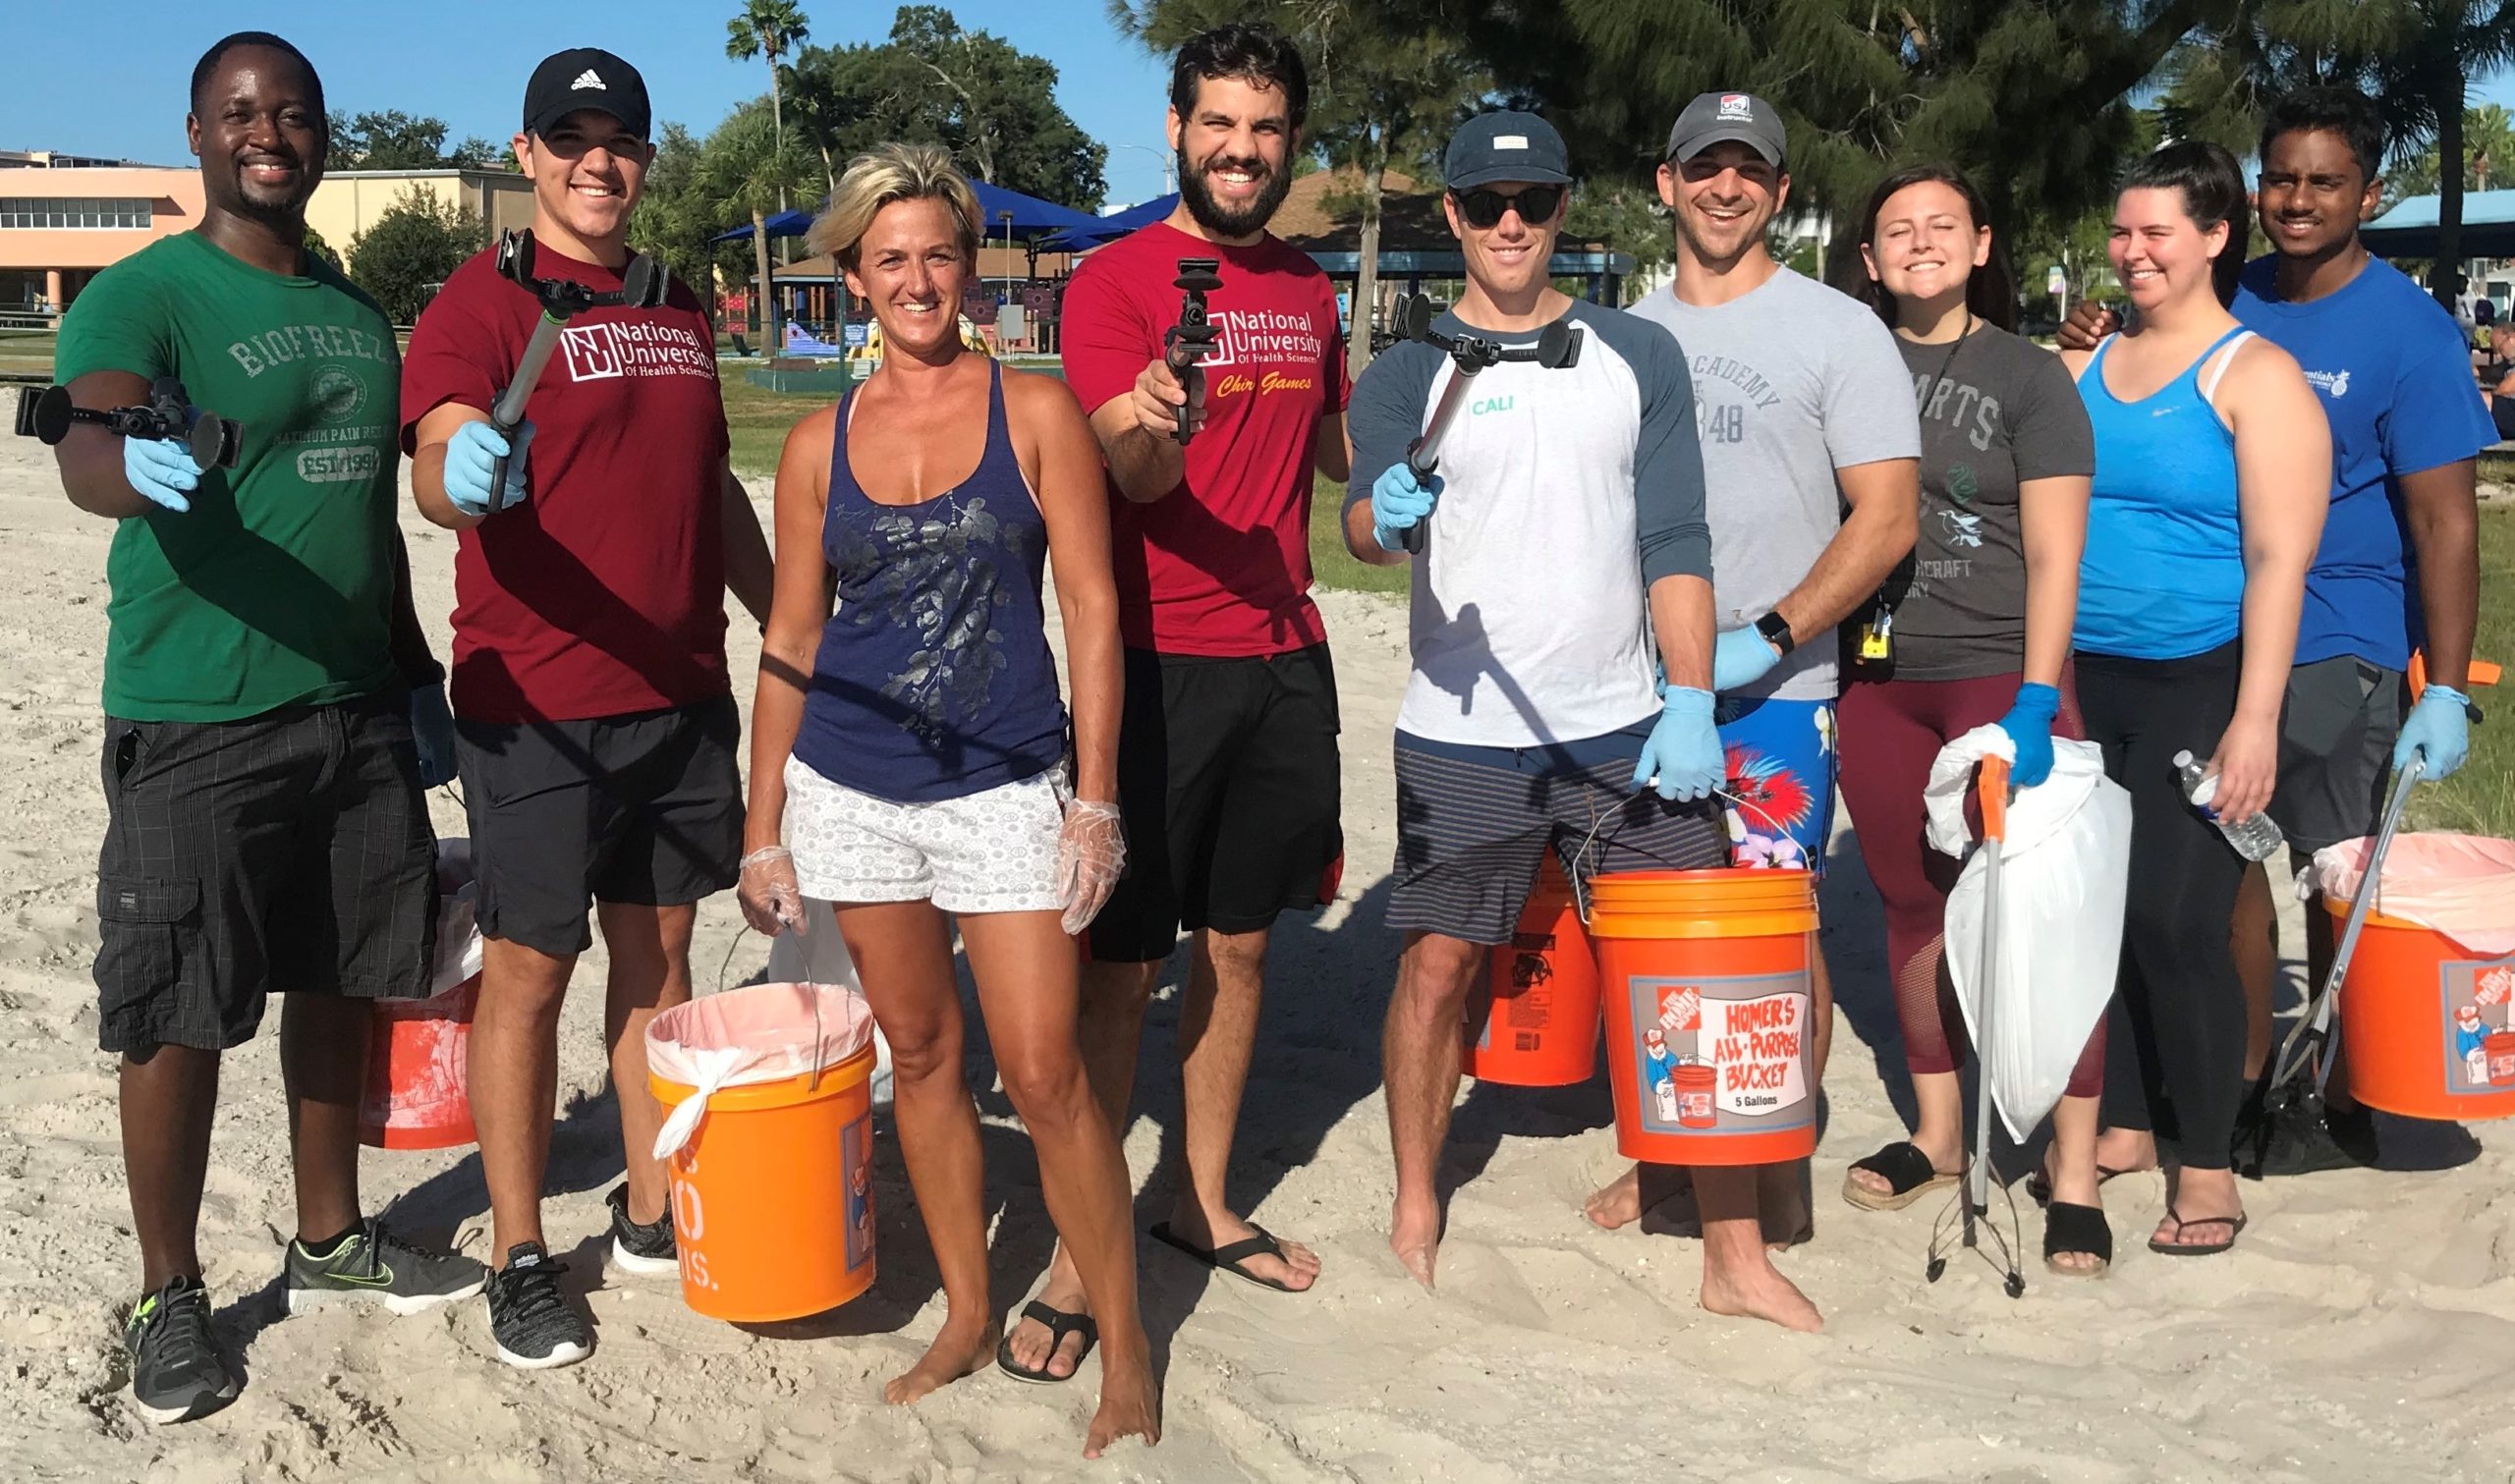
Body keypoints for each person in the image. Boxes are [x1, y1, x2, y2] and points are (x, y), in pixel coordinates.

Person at [50, 30, 485, 1424]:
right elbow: (85, 426)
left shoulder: (360, 310)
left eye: (293, 113)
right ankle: (170, 1289)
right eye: (241, 112)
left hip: (356, 706)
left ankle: (328, 1232)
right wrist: (129, 463)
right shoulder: (147, 291)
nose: (269, 133)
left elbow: (367, 521)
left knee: (344, 972)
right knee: (174, 1004)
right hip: (198, 708)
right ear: (196, 130)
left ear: (324, 136)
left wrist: (417, 677)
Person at [737, 142, 1156, 1460]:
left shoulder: (1033, 412)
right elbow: (794, 635)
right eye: (889, 258)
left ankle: (1129, 1346)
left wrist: (1094, 797)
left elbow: (1091, 604)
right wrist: (763, 821)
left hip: (1004, 783)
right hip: (854, 790)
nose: (917, 278)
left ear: (967, 267)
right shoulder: (819, 441)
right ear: (854, 276)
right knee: (917, 1054)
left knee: (1043, 1070)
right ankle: (969, 1309)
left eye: (937, 253)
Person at [401, 48, 773, 1369]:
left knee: (660, 964)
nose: (597, 159)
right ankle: (514, 1248)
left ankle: (650, 1204)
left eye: (620, 138)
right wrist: (464, 471)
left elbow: (710, 486)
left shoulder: (678, 305)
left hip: (679, 696)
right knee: (530, 971)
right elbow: (440, 456)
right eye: (572, 137)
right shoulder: (483, 302)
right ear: (529, 153)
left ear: (644, 158)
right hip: (538, 708)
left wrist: (787, 617)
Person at [2059, 89, 2490, 1173]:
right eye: (2280, 179)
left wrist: (2439, 680)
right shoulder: (2230, 287)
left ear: (2368, 194)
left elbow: (2443, 519)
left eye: (2323, 181)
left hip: (2339, 631)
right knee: (2220, 869)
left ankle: (2348, 1081)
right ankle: (2246, 1079)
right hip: (2219, 633)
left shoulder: (2409, 329)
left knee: (2323, 865)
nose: (2296, 200)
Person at [1008, 21, 1350, 1381]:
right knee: (1119, 966)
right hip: (1152, 667)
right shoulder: (1115, 282)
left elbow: (1339, 466)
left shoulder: (1315, 289)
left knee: (1247, 945)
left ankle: (1193, 1196)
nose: (1242, 151)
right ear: (1175, 128)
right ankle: (1073, 1252)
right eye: (1220, 125)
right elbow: (1124, 473)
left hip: (1285, 658)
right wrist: (1155, 414)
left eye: (1265, 131)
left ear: (1288, 145)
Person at [1344, 110, 1729, 1301]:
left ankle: (1690, 1190)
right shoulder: (1409, 372)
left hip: (1626, 720)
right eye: (1485, 205)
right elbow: (1362, 528)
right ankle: (1418, 1191)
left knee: (1680, 970)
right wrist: (1384, 516)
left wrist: (1694, 698)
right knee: (1439, 966)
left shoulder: (1637, 356)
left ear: (1564, 209)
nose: (1511, 224)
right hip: (1460, 734)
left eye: (1535, 202)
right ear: (1452, 215)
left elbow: (1675, 537)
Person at [1590, 91, 1922, 1328]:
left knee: (1774, 939)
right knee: (1654, 933)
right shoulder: (1614, 334)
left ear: (1779, 193)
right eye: (1702, 168)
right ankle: (1674, 1150)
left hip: (1780, 694)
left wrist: (1771, 632)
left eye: (1750, 171)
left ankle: (1765, 1177)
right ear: (1663, 184)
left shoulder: (1839, 330)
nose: (1725, 188)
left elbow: (1886, 514)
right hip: (1632, 691)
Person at [1829, 166, 2112, 1272]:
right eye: (1896, 229)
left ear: (1983, 242)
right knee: (1912, 903)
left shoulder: (2028, 375)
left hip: (2000, 673)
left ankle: (2074, 1167)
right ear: (1868, 257)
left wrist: (2040, 695)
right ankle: (1941, 1132)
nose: (1919, 242)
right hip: (1879, 678)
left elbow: (2055, 551)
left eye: (1942, 224)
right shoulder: (1846, 362)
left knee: (2042, 915)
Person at [2061, 140, 2328, 1254]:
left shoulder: (2253, 376)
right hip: (2083, 675)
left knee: (2178, 918)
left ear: (2216, 237)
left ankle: (2207, 1160)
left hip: (2202, 679)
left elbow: (2278, 560)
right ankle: (2123, 1117)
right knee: (2099, 913)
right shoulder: (2081, 365)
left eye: (2156, 232)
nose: (2131, 253)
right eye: (2121, 232)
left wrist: (2253, 716)